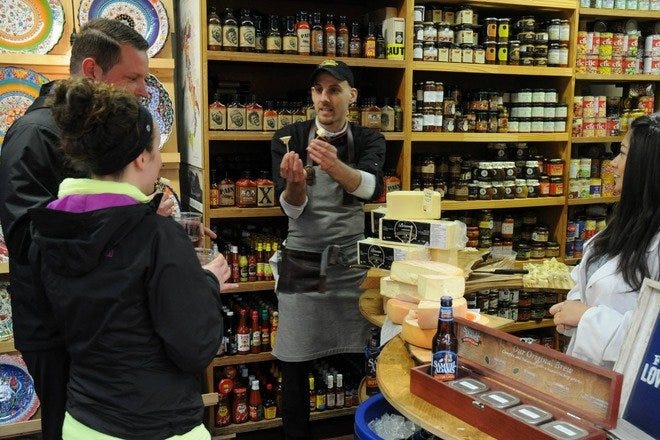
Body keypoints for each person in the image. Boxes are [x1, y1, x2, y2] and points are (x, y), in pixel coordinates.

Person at [0, 18, 198, 439]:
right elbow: (27, 243)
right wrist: (135, 229)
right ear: (91, 71)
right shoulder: (33, 136)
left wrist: (150, 223)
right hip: (60, 331)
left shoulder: (99, 138)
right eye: (133, 78)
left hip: (101, 325)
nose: (145, 90)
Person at [29, 77, 230, 439]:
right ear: (141, 157)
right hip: (158, 424)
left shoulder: (52, 227)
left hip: (82, 420)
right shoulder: (156, 236)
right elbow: (195, 347)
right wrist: (208, 282)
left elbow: (57, 325)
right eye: (156, 150)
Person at [270, 59, 385, 439]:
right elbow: (289, 206)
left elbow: (369, 189)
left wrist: (335, 166)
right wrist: (296, 185)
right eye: (319, 90)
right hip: (302, 264)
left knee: (365, 360)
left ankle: (365, 430)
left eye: (334, 89)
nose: (325, 98)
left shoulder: (369, 140)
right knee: (294, 363)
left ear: (351, 95)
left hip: (352, 268)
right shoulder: (288, 137)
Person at [550, 113, 660, 369]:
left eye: (622, 153)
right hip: (591, 379)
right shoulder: (628, 221)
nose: (613, 164)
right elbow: (590, 277)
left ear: (646, 168)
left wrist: (587, 318)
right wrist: (576, 304)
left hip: (630, 396)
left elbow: (653, 338)